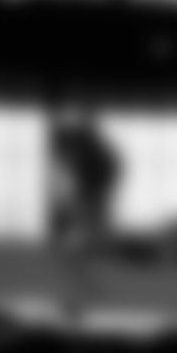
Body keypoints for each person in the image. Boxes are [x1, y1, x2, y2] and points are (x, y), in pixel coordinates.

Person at [48, 106, 122, 252]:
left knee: (93, 214)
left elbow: (106, 168)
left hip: (97, 183)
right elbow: (78, 171)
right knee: (89, 214)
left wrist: (91, 187)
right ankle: (89, 243)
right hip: (94, 183)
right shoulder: (83, 146)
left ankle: (93, 244)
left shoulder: (87, 146)